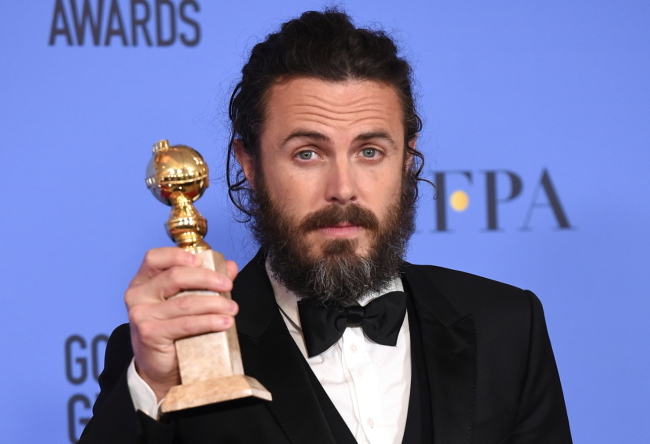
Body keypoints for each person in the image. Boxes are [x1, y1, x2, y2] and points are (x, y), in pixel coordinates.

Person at [79, 8, 572, 444]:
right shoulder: (174, 349)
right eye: (308, 153)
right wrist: (156, 385)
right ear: (248, 162)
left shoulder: (507, 325)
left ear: (407, 158)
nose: (343, 188)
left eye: (370, 152)